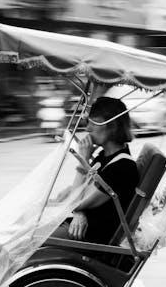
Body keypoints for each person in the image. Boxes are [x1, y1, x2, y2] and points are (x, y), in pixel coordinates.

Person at [51, 96, 139, 244]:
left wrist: (83, 161)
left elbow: (74, 202)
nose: (88, 128)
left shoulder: (122, 167)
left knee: (26, 240)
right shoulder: (104, 156)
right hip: (76, 226)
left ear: (112, 126)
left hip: (89, 239)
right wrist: (80, 212)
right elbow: (78, 196)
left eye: (94, 122)